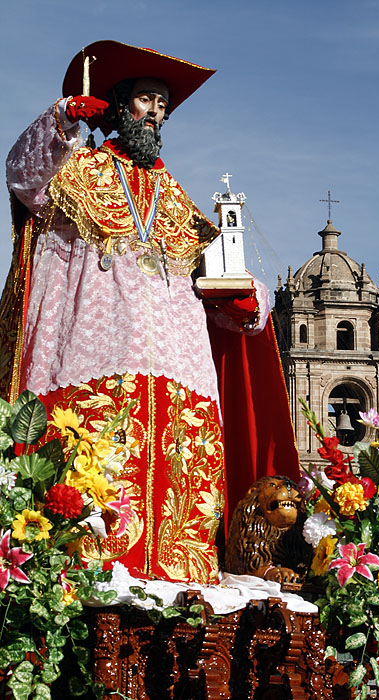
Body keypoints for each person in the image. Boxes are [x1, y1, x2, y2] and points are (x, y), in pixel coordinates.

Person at [0, 41, 300, 583]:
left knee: (180, 488)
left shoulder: (175, 197)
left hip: (179, 369)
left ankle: (179, 582)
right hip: (95, 355)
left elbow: (219, 272)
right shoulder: (77, 172)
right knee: (94, 487)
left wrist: (247, 300)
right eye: (145, 98)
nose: (156, 112)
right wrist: (62, 118)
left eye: (163, 103)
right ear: (116, 105)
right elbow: (23, 176)